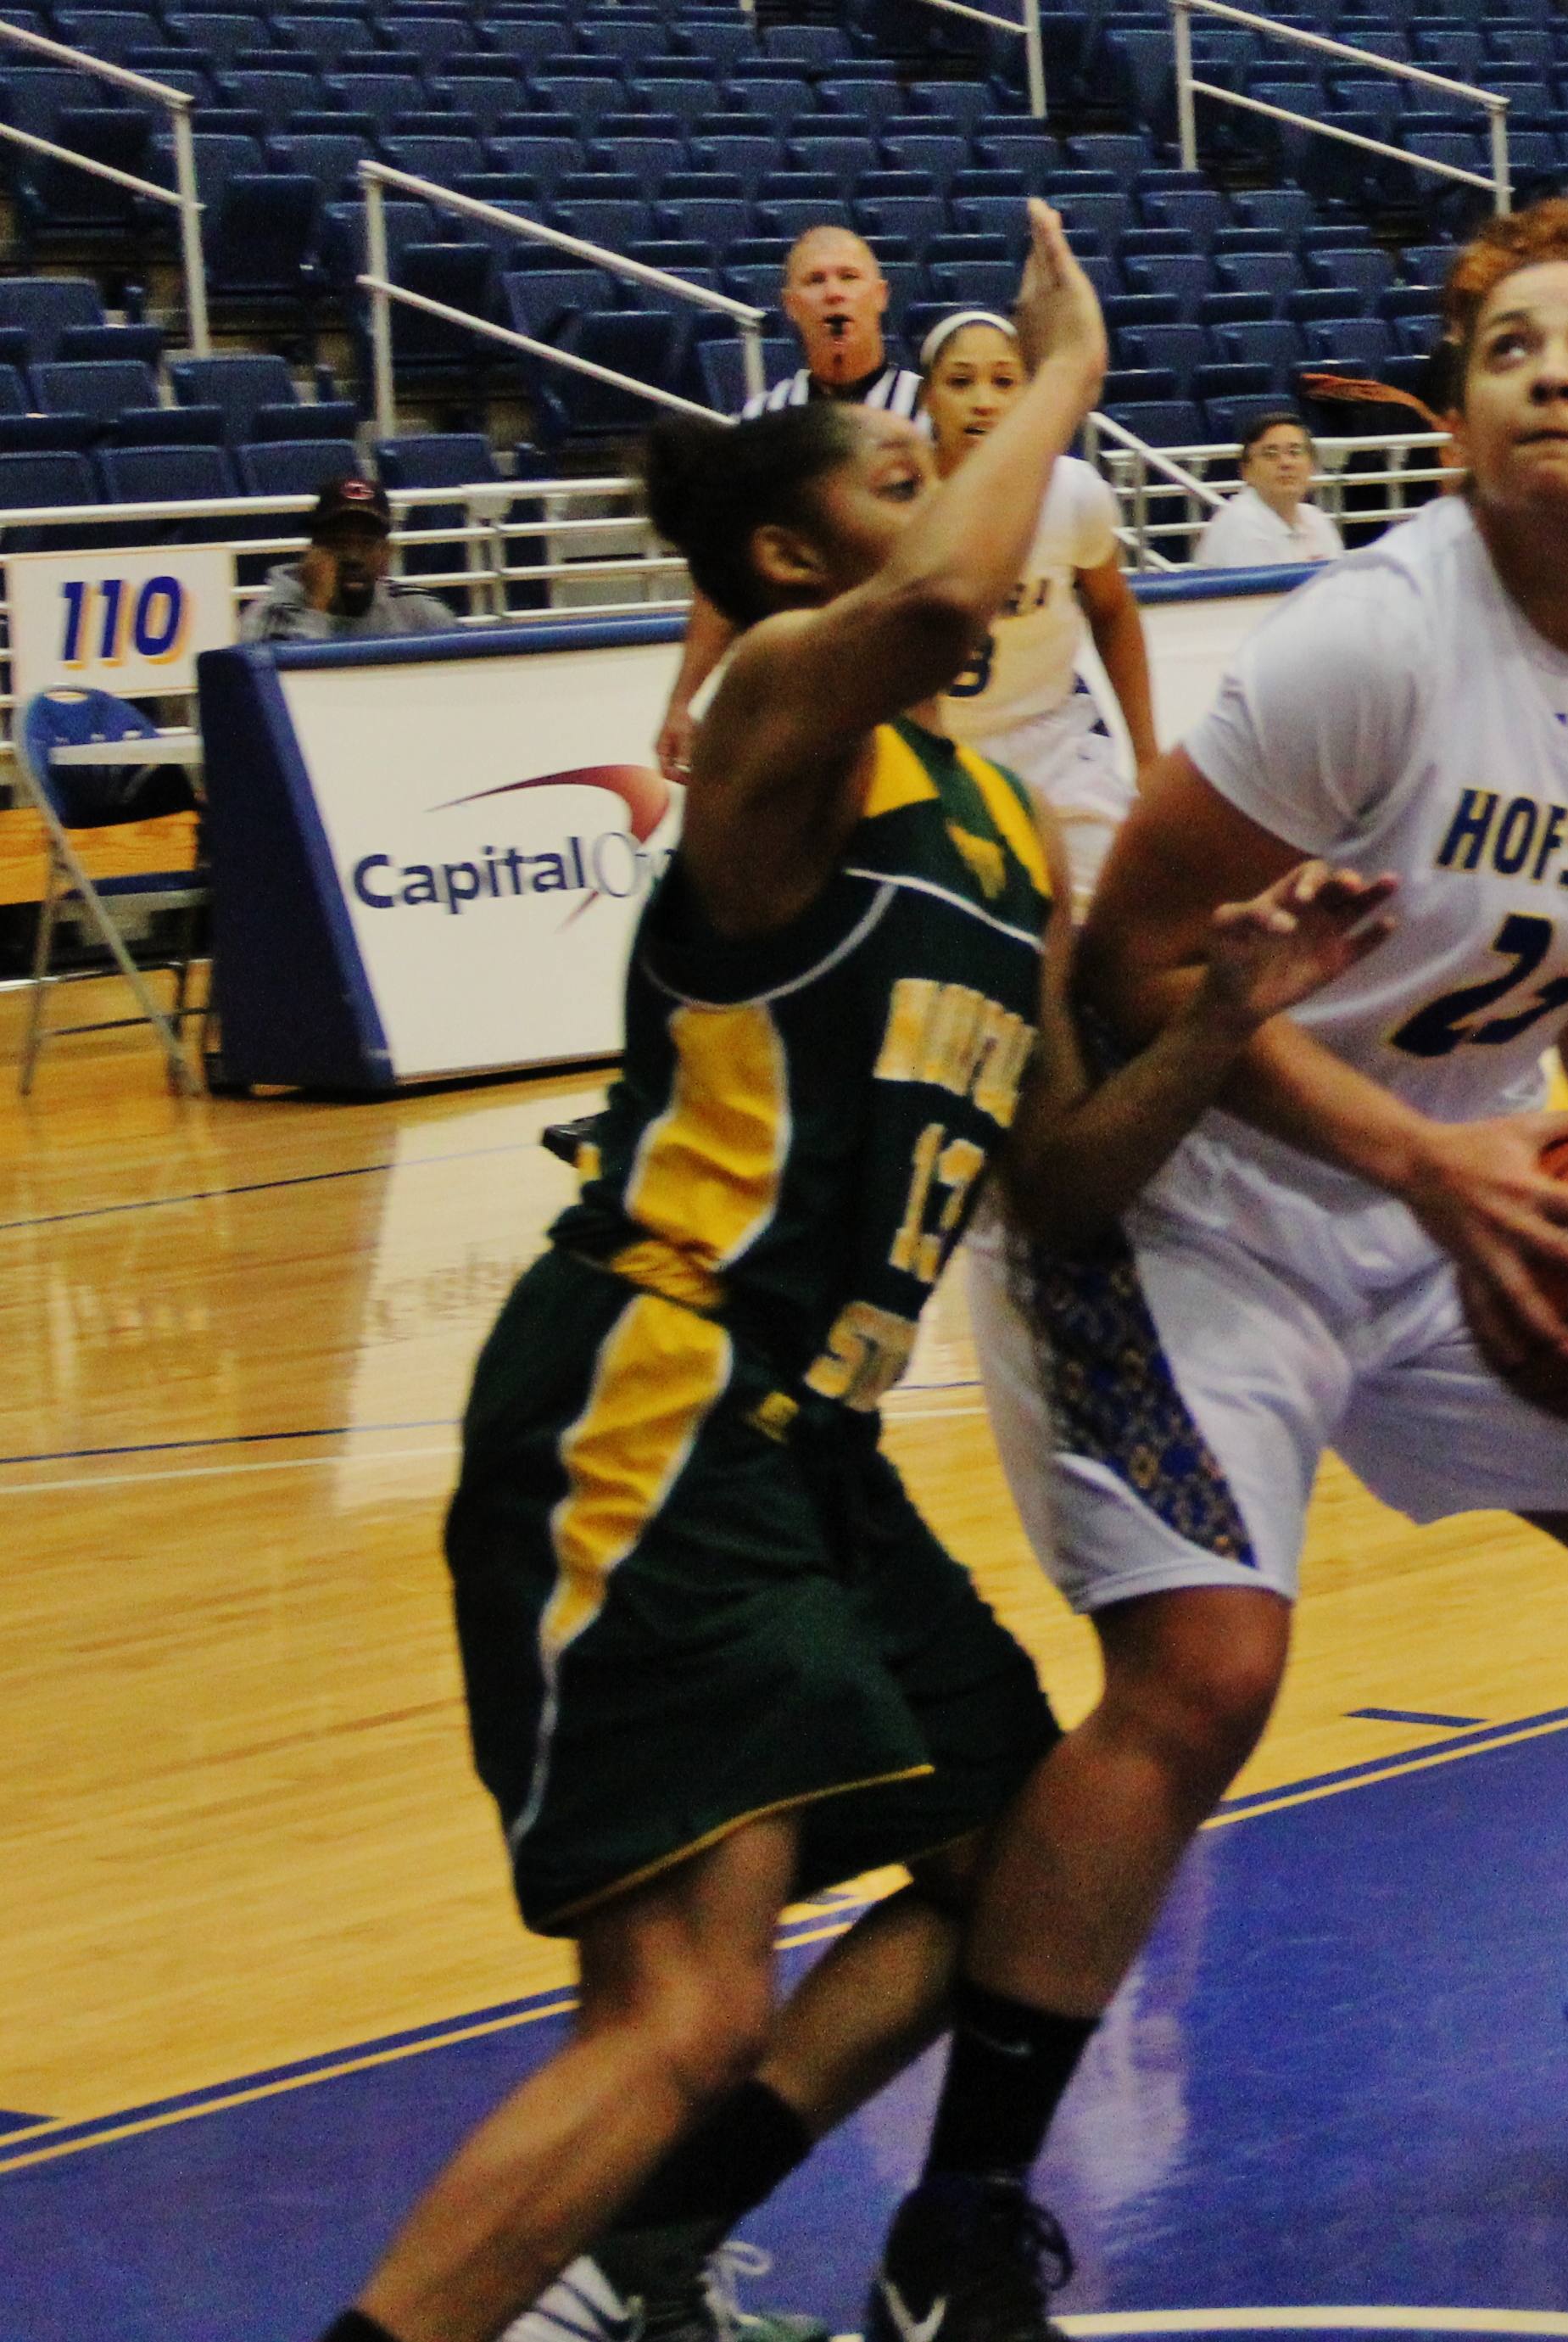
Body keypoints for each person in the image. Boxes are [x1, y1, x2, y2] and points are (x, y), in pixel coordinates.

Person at [310, 202, 1389, 2342]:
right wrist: (1060, 372)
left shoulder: (997, 833)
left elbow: (1056, 1187)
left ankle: (639, 2259)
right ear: (792, 559)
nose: (952, 479)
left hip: (806, 1444)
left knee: (1016, 1865)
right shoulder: (779, 723)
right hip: (652, 1389)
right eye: (904, 467)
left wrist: (1214, 1022)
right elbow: (948, 595)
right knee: (685, 2004)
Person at [964, 194, 1568, 2225]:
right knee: (1203, 1676)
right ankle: (969, 2205)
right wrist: (1417, 1160)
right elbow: (1128, 965)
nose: (1551, 374)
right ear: (1452, 425)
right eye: (1507, 349)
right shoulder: (1368, 638)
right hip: (1196, 1202)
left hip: (1464, 1187)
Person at [655, 226, 924, 783]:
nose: (833, 293)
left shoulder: (931, 408)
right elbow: (721, 580)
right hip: (801, 685)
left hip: (913, 673)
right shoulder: (761, 422)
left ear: (879, 295)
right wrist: (683, 698)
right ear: (792, 306)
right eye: (815, 281)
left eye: (848, 277)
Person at [919, 306, 1158, 908]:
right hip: (928, 748)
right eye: (960, 381)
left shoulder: (1073, 492)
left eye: (1004, 382)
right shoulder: (891, 499)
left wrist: (1147, 755)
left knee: (1124, 906)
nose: (983, 401)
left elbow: (1112, 611)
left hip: (1051, 738)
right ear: (927, 398)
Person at [239, 478, 458, 643]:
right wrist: (318, 608)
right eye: (339, 543)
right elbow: (291, 685)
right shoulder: (268, 617)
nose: (354, 558)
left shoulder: (419, 612)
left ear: (386, 552)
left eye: (367, 544)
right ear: (314, 551)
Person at [1194, 411, 1347, 569]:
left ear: (1312, 466)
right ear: (1246, 470)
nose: (1286, 463)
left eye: (1295, 452)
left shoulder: (1315, 518)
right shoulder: (1240, 523)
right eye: (1271, 454)